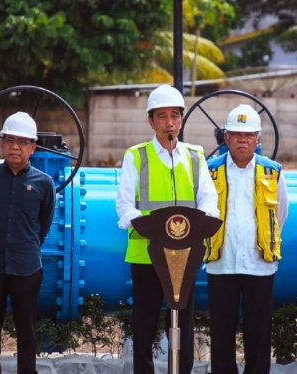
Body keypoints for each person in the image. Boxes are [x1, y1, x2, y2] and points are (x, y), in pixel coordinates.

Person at [115, 84, 219, 374]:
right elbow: (124, 206)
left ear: (182, 120)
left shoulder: (196, 156)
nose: (169, 122)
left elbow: (210, 200)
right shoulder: (136, 156)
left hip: (184, 256)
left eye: (175, 115)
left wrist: (204, 218)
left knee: (183, 326)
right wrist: (150, 226)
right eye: (162, 116)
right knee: (144, 325)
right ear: (151, 121)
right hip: (146, 255)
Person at [0, 112, 56, 374]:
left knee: (26, 328)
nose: (15, 147)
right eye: (9, 140)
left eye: (22, 142)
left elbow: (42, 225)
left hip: (26, 267)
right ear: (1, 143)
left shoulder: (44, 183)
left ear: (32, 147)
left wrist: (23, 247)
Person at [205, 104, 288, 374]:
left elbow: (280, 213)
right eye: (236, 134)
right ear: (226, 137)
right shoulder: (210, 170)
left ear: (258, 138)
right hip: (222, 263)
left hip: (259, 265)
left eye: (249, 134)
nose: (243, 140)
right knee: (221, 333)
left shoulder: (272, 171)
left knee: (259, 333)